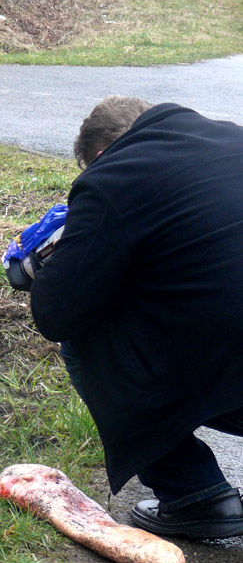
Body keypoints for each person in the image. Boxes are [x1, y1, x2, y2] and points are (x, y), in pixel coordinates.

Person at [29, 96, 243, 539]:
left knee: (87, 333)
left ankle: (195, 495)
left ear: (101, 155)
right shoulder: (231, 138)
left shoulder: (113, 177)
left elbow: (56, 315)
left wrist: (42, 267)